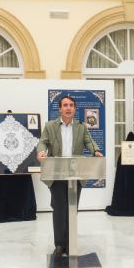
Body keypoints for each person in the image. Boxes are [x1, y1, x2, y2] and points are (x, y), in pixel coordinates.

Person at [37, 95, 103, 257]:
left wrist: (95, 150)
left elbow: (89, 141)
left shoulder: (81, 127)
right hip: (57, 173)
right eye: (65, 105)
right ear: (60, 109)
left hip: (76, 172)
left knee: (72, 209)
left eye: (71, 105)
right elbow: (43, 142)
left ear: (74, 109)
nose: (68, 108)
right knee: (59, 209)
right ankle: (59, 244)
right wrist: (41, 151)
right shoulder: (50, 126)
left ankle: (70, 243)